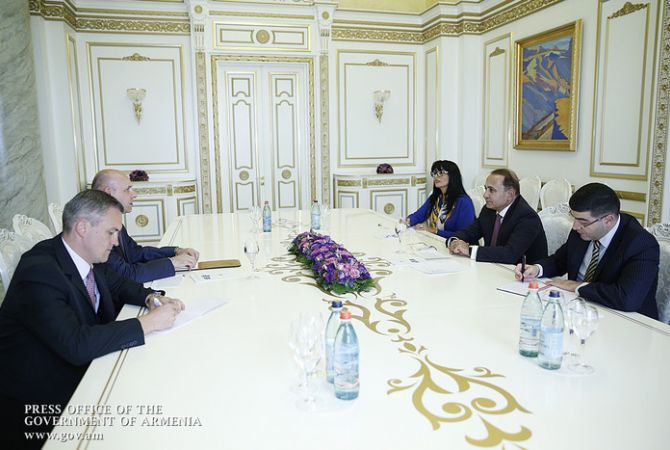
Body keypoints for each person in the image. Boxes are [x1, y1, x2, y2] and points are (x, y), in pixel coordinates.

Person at [0, 190, 184, 449]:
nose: (116, 242)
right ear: (82, 227)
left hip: (84, 370)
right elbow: (76, 345)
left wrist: (151, 297)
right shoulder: (39, 271)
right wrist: (149, 322)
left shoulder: (87, 254)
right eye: (111, 232)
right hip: (43, 402)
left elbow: (119, 285)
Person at [515, 183, 660, 319]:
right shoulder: (581, 230)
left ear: (608, 220)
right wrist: (536, 269)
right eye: (574, 218)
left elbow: (627, 298)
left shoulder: (641, 244)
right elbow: (560, 261)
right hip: (577, 309)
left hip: (628, 320)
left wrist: (576, 286)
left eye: (583, 221)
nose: (575, 226)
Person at [92, 169, 200, 282]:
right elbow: (128, 275)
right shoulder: (97, 230)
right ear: (108, 193)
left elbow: (136, 253)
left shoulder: (112, 221)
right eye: (128, 189)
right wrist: (173, 262)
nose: (134, 194)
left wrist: (175, 252)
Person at [448, 168, 547, 264]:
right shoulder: (489, 210)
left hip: (521, 273)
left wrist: (469, 250)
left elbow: (509, 254)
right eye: (486, 189)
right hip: (493, 267)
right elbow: (469, 232)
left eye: (491, 190)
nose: (485, 195)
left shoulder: (527, 217)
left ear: (510, 195)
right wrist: (454, 241)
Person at [403, 160, 475, 239]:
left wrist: (435, 231)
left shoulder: (464, 202)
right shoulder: (436, 197)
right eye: (434, 173)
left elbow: (464, 235)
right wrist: (407, 222)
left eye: (440, 173)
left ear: (452, 176)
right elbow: (419, 215)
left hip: (453, 243)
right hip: (435, 240)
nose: (436, 177)